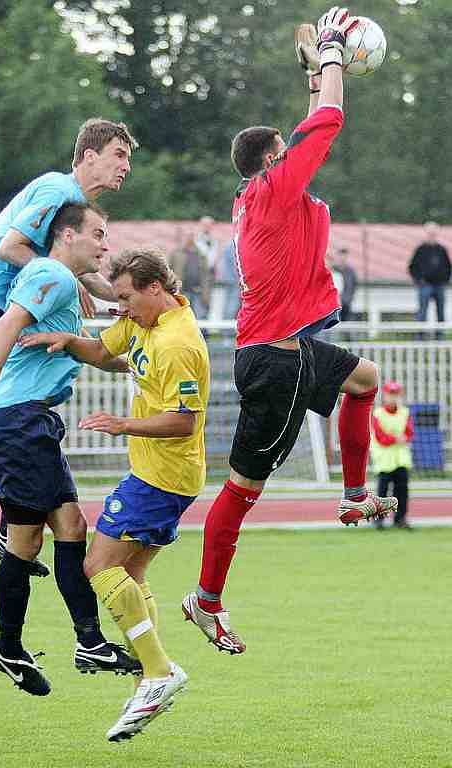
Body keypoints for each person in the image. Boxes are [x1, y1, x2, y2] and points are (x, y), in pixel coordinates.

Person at [181, 8, 398, 654]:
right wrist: (332, 48)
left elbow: (313, 121)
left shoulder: (260, 193)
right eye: (286, 149)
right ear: (274, 160)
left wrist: (317, 72)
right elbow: (328, 122)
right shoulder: (274, 191)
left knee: (365, 378)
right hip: (272, 363)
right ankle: (206, 600)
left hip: (290, 348)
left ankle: (354, 495)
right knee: (243, 488)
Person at [0, 118, 137, 579]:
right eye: (119, 155)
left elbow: (80, 271)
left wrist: (123, 300)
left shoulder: (76, 210)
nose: (126, 166)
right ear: (89, 156)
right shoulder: (56, 189)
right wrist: (65, 279)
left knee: (14, 405)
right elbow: (10, 248)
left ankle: (10, 527)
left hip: (4, 305)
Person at [21, 247, 209, 740]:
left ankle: (159, 671)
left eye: (126, 297)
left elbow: (183, 421)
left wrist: (123, 424)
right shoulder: (142, 323)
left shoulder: (179, 344)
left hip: (163, 476)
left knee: (98, 567)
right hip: (158, 474)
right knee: (131, 572)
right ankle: (154, 672)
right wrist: (67, 340)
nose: (120, 307)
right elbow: (105, 354)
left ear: (155, 289)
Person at [0, 203, 140, 691]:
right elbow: (6, 325)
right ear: (66, 234)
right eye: (98, 234)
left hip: (32, 421)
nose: (105, 245)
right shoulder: (51, 274)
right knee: (26, 542)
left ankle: (88, 642)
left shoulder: (63, 284)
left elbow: (98, 355)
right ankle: (11, 647)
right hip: (18, 422)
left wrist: (150, 363)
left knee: (71, 526)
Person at [371, 381, 413, 530]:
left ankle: (400, 518)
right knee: (382, 492)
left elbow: (409, 432)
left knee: (401, 491)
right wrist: (396, 439)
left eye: (396, 394)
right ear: (385, 396)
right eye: (390, 394)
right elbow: (380, 437)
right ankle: (379, 519)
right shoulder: (378, 414)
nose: (393, 398)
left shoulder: (405, 412)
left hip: (401, 459)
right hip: (384, 460)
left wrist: (404, 438)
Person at [408, 221, 451, 328]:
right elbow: (412, 267)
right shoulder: (420, 250)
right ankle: (420, 337)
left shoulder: (441, 250)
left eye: (434, 233)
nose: (432, 235)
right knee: (422, 312)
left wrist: (444, 280)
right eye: (430, 233)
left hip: (439, 285)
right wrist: (419, 280)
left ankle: (439, 337)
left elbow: (448, 266)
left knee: (440, 313)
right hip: (425, 285)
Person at [169, 230, 210, 320]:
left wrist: (206, 292)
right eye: (187, 236)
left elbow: (206, 275)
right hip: (182, 291)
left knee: (199, 317)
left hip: (198, 291)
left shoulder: (201, 254)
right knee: (182, 317)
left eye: (191, 236)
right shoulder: (175, 253)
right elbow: (168, 271)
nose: (189, 238)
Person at [337, 246, 357, 321]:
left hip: (346, 305)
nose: (342, 258)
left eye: (344, 256)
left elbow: (353, 286)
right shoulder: (334, 270)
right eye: (341, 255)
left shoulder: (351, 272)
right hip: (335, 304)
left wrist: (348, 299)